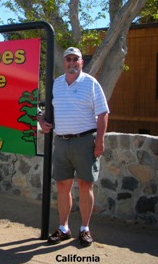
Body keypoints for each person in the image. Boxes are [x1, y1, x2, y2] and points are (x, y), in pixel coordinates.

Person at [39, 47, 109, 247]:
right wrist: (42, 121)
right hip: (61, 142)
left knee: (86, 185)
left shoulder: (91, 83)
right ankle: (63, 228)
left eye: (75, 59)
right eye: (68, 59)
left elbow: (103, 114)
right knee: (63, 186)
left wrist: (100, 141)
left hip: (85, 141)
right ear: (64, 62)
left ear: (81, 62)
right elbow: (47, 111)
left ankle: (85, 229)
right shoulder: (56, 84)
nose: (71, 62)